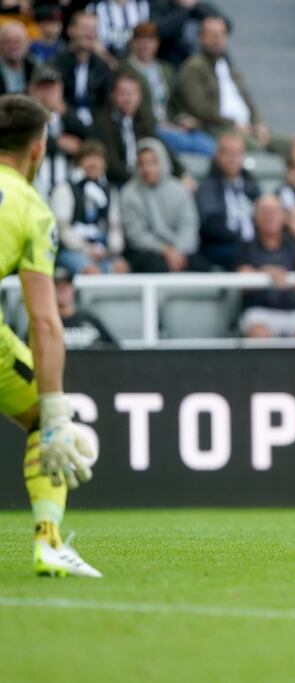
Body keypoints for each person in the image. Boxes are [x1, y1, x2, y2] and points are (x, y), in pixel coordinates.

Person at [0, 94, 100, 576]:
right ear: (38, 148)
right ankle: (48, 542)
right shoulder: (31, 208)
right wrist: (57, 405)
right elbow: (44, 320)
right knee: (48, 421)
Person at [176, 15, 286, 154]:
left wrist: (259, 124)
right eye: (212, 34)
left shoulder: (230, 68)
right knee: (257, 148)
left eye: (221, 34)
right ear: (201, 37)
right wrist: (234, 124)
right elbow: (200, 108)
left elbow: (248, 100)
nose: (217, 39)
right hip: (216, 128)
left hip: (247, 128)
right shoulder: (193, 67)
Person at [119, 21, 216, 157]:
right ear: (133, 43)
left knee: (209, 144)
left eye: (149, 41)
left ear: (156, 43)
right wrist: (159, 124)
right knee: (183, 143)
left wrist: (181, 119)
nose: (145, 46)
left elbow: (175, 102)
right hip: (148, 128)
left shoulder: (165, 69)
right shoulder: (124, 70)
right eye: (141, 41)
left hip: (171, 125)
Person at [237, 194, 295, 339]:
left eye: (274, 211)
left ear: (284, 216)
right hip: (259, 311)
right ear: (255, 217)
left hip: (294, 310)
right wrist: (265, 273)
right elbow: (243, 275)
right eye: (264, 211)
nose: (270, 216)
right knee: (258, 333)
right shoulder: (246, 246)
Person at [121, 137, 205, 272]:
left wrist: (178, 251)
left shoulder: (179, 190)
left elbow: (189, 225)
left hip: (181, 250)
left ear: (163, 161)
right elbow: (136, 235)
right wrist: (166, 251)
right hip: (147, 252)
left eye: (153, 162)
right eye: (142, 163)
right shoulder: (129, 193)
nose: (147, 168)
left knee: (202, 267)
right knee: (154, 265)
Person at [50, 139, 129, 275]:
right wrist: (88, 249)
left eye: (98, 159)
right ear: (79, 161)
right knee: (91, 270)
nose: (93, 163)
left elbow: (115, 226)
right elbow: (63, 229)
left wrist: (111, 249)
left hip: (103, 249)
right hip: (73, 250)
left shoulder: (110, 191)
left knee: (121, 267)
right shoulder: (65, 189)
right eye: (88, 158)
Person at [91, 71, 182, 186]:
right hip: (116, 182)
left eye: (133, 93)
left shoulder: (142, 120)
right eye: (122, 93)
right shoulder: (103, 122)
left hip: (143, 178)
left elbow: (161, 146)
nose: (128, 99)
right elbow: (111, 164)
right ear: (112, 95)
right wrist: (139, 178)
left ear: (140, 97)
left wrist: (182, 173)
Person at [196, 131, 261, 270]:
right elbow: (211, 226)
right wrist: (241, 238)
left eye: (237, 153)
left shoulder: (251, 185)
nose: (232, 158)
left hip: (253, 244)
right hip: (223, 246)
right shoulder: (208, 186)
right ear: (217, 155)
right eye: (227, 153)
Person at [26, 65, 91, 199]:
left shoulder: (67, 116)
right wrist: (58, 143)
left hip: (66, 187)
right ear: (31, 89)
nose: (46, 93)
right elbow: (22, 141)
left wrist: (66, 114)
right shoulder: (23, 113)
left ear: (60, 89)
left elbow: (92, 139)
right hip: (33, 183)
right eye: (41, 88)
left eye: (51, 88)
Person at [53, 11, 115, 126]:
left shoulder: (102, 67)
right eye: (85, 28)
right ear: (70, 30)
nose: (90, 34)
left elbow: (105, 104)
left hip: (96, 125)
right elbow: (57, 104)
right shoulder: (56, 63)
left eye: (94, 29)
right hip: (64, 123)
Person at [54, 267, 119, 349]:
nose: (62, 290)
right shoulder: (46, 323)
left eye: (66, 285)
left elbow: (115, 349)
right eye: (57, 286)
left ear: (73, 289)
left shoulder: (89, 319)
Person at [0, 22, 36, 96]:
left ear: (27, 44)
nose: (12, 46)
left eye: (17, 42)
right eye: (7, 42)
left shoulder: (35, 66)